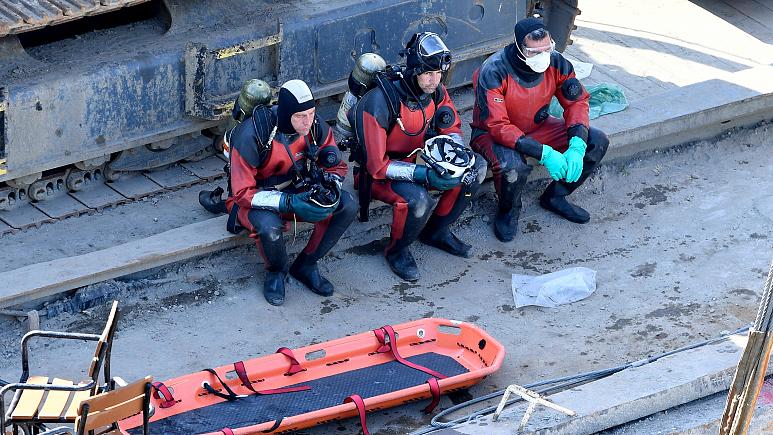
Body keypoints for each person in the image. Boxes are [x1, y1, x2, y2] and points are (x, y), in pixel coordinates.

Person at [200, 79, 356, 306]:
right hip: (255, 198)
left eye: (311, 113)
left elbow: (336, 166)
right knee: (268, 228)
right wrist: (288, 202)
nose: (308, 121)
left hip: (298, 188)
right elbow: (242, 192)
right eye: (300, 116)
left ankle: (307, 264)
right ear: (286, 114)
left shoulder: (313, 127)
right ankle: (276, 272)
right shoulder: (252, 134)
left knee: (347, 205)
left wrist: (331, 188)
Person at [352, 32, 487, 282]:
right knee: (418, 200)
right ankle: (396, 251)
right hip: (377, 175)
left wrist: (459, 159)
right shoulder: (380, 102)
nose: (435, 80)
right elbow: (377, 166)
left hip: (415, 160)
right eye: (428, 74)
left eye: (438, 73)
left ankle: (437, 231)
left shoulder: (435, 91)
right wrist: (426, 175)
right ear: (414, 70)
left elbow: (451, 128)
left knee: (475, 168)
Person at [470, 17, 609, 242]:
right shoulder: (493, 71)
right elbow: (497, 125)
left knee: (596, 141)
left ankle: (556, 196)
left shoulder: (557, 63)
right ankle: (509, 210)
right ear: (519, 49)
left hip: (538, 126)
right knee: (512, 167)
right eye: (534, 52)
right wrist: (544, 153)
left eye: (547, 49)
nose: (543, 57)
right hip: (492, 134)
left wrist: (577, 143)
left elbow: (576, 102)